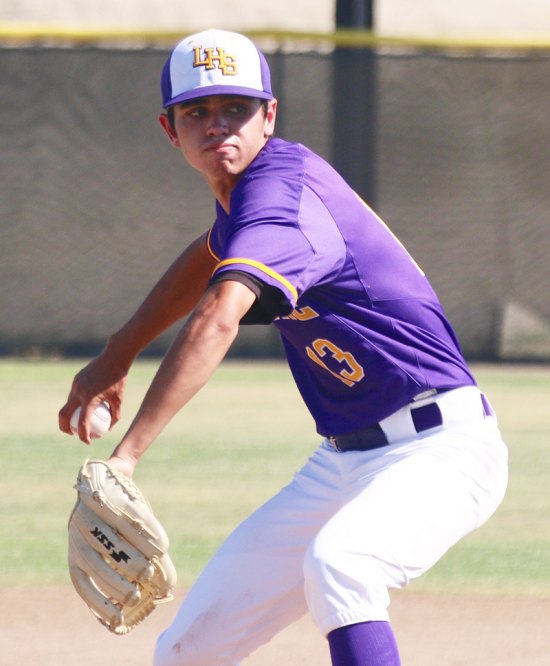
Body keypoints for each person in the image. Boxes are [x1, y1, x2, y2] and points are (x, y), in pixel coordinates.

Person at [59, 29, 508, 666]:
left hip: (440, 449)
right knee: (189, 648)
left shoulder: (280, 196)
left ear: (268, 116)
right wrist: (119, 350)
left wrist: (125, 458)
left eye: (236, 109)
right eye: (198, 113)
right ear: (171, 129)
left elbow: (218, 313)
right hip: (342, 461)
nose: (218, 127)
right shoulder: (244, 203)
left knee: (342, 567)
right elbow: (209, 254)